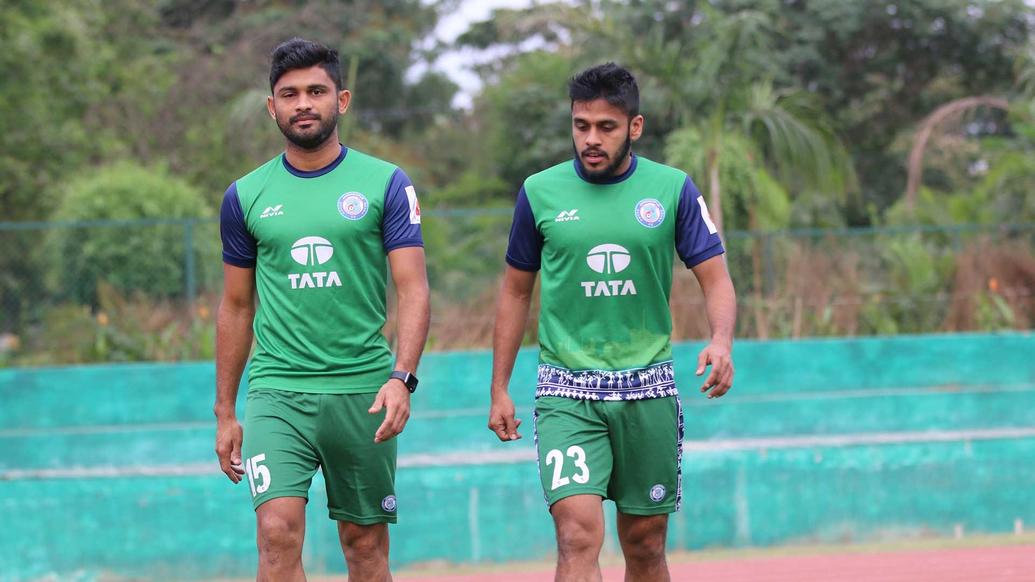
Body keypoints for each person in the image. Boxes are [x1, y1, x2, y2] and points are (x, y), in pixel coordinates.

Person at [487, 63, 737, 582]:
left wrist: (721, 340)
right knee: (576, 534)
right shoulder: (539, 192)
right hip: (566, 392)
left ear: (634, 127)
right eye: (581, 126)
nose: (591, 139)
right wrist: (500, 388)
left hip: (648, 390)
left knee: (645, 545)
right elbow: (514, 291)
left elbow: (715, 278)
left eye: (606, 127)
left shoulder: (673, 190)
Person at [215, 38, 429, 582]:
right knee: (276, 534)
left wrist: (401, 378)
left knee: (364, 547)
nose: (303, 103)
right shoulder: (245, 196)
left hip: (362, 392)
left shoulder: (386, 183)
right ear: (272, 107)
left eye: (316, 91)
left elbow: (414, 289)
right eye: (289, 94)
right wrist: (225, 411)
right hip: (277, 390)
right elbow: (236, 306)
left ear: (343, 99)